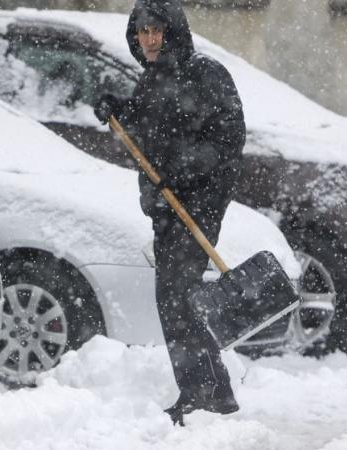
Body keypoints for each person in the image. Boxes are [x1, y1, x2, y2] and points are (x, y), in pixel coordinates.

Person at [92, 0, 246, 426]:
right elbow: (147, 126)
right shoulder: (152, 79)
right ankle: (212, 390)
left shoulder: (205, 74)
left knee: (177, 297)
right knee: (176, 299)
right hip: (165, 208)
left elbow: (229, 138)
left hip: (197, 204)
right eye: (142, 32)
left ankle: (205, 393)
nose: (150, 39)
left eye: (157, 30)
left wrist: (184, 169)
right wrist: (117, 107)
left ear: (173, 30)